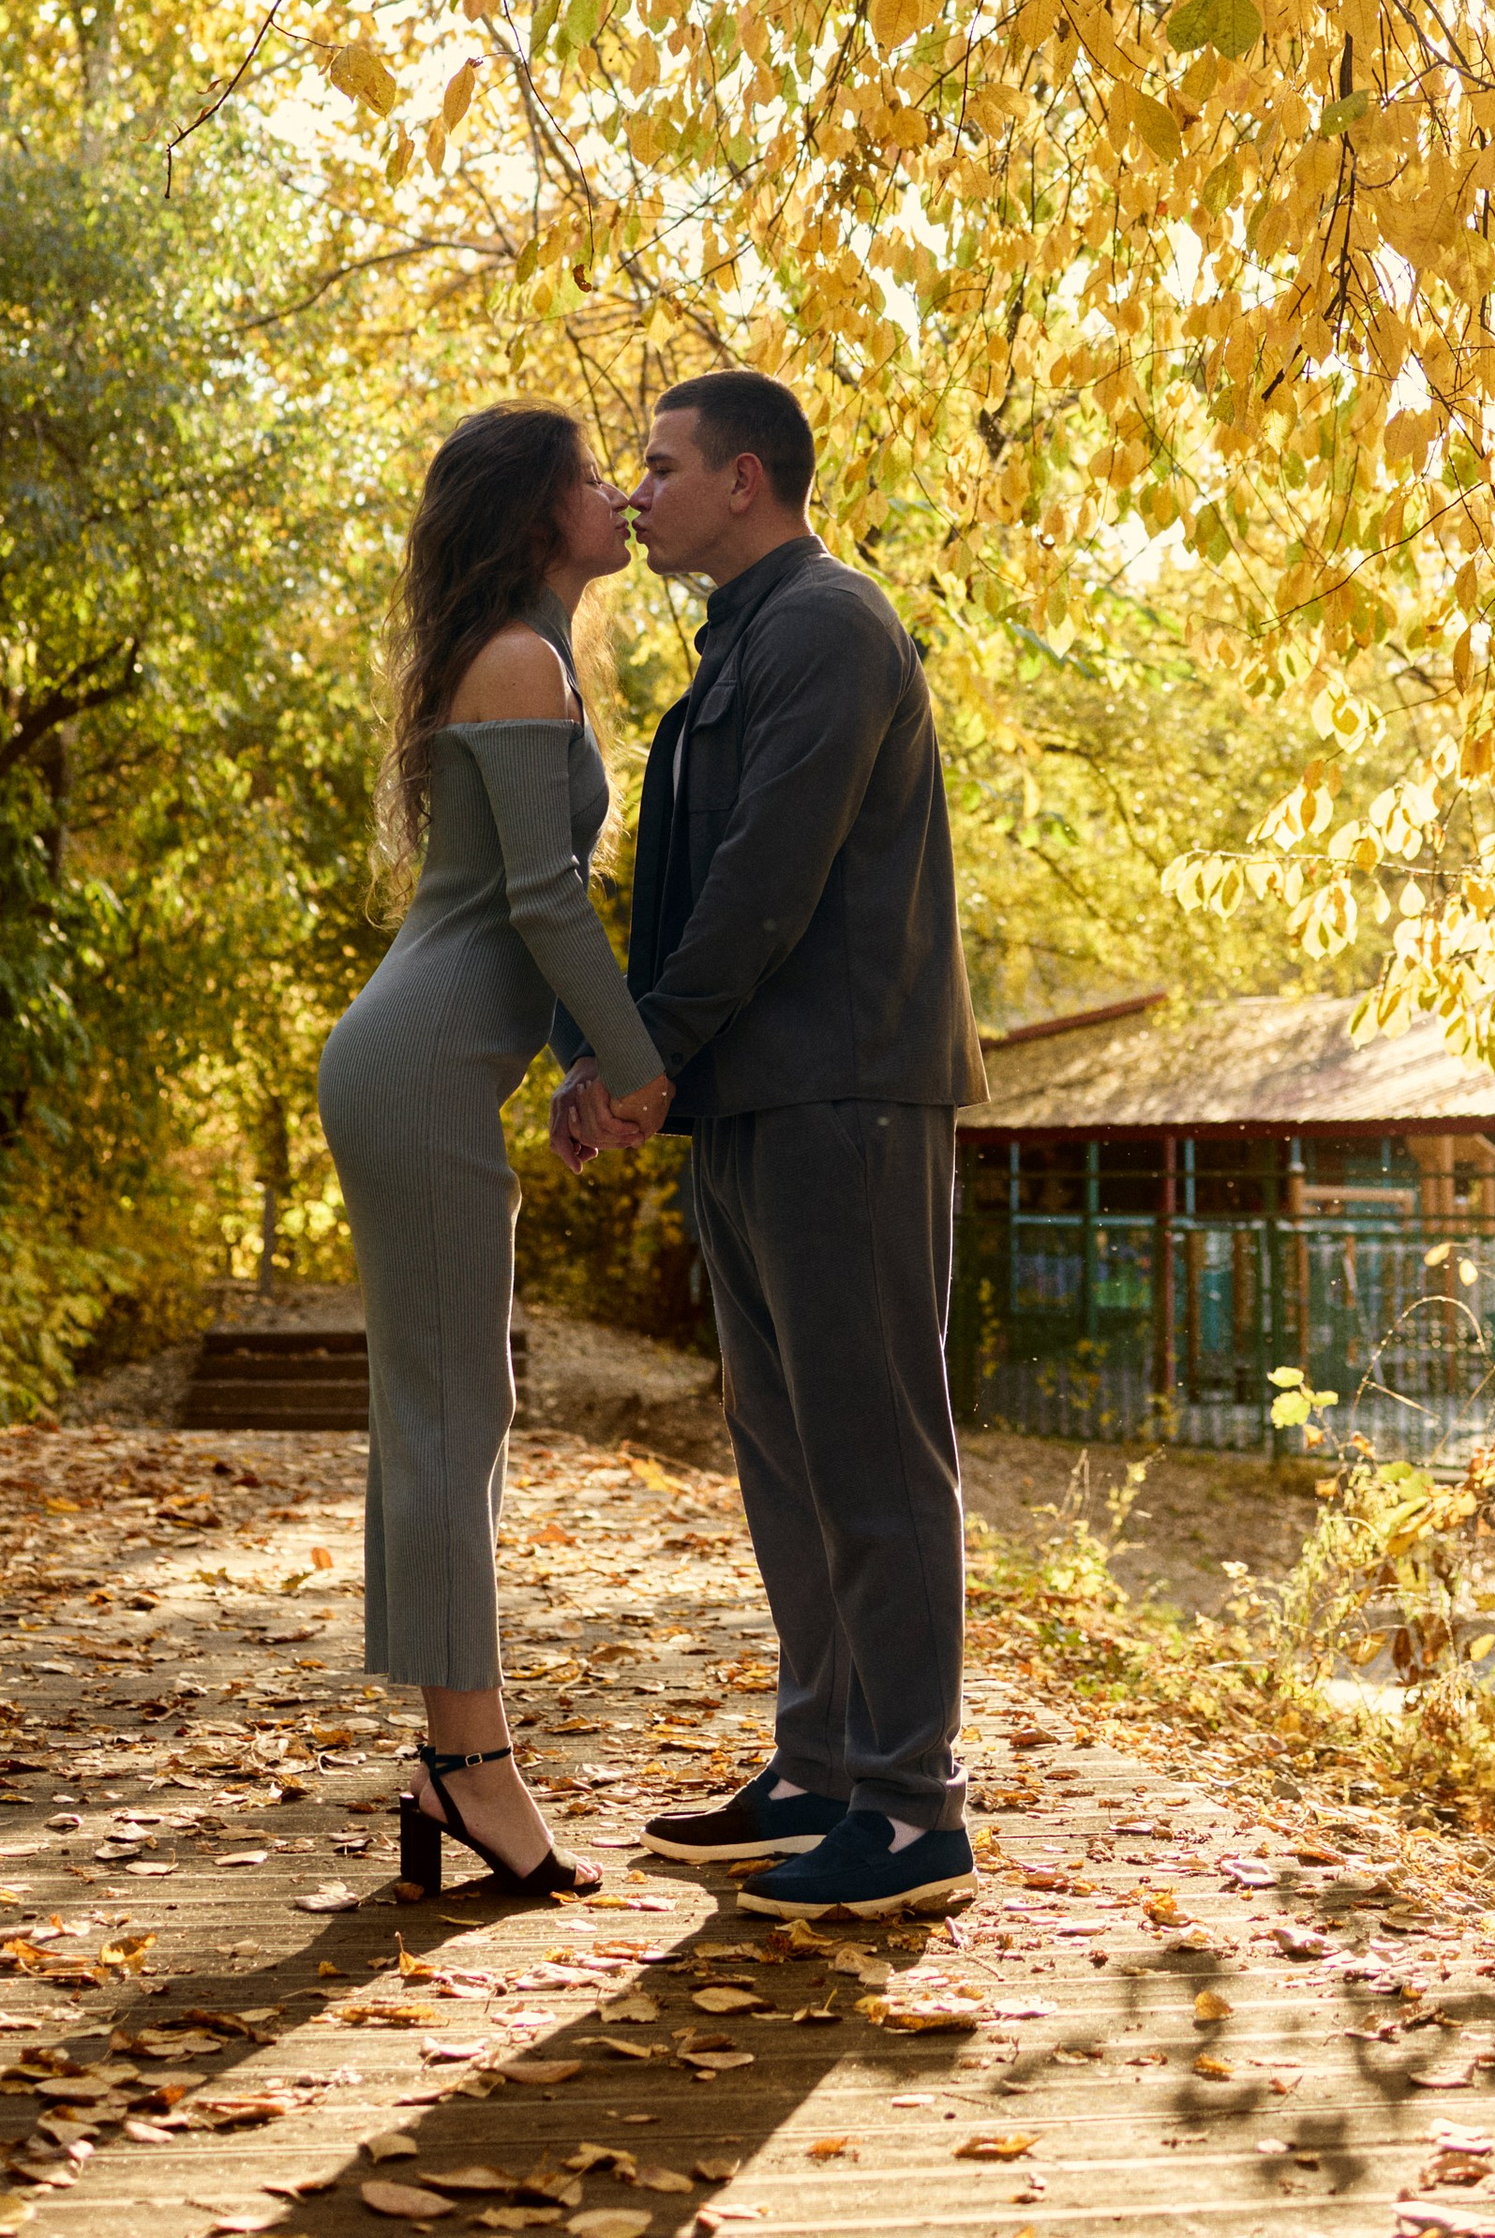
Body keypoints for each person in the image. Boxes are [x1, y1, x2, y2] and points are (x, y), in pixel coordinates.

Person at [550, 370, 987, 1918]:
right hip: (751, 1103)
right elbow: (688, 893)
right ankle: (819, 1770)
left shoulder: (829, 627)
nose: (635, 493)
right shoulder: (742, 640)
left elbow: (766, 881)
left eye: (658, 468)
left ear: (746, 478)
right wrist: (623, 1058)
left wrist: (644, 1055)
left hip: (846, 1095)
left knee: (873, 1450)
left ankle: (914, 1808)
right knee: (787, 1457)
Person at [318, 404, 673, 1903]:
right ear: (539, 516)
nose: (617, 498)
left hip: (423, 1061)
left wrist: (574, 1058)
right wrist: (638, 1065)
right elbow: (539, 904)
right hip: (418, 1069)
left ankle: (448, 1753)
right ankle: (472, 1765)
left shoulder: (528, 656)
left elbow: (514, 917)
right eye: (595, 478)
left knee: (445, 1407)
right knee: (459, 1412)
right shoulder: (520, 663)